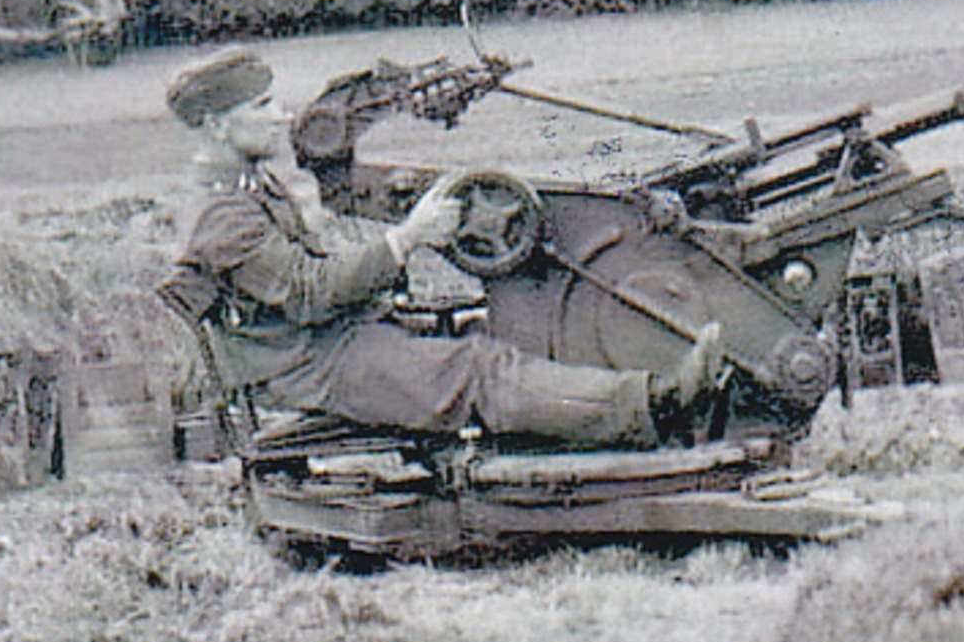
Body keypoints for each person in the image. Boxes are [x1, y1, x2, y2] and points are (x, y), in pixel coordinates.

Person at [157, 47, 723, 448]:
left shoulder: (245, 187)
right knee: (476, 370)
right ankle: (658, 402)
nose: (280, 117)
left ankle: (624, 399)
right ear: (215, 126)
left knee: (498, 331)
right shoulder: (221, 216)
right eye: (261, 108)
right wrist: (408, 238)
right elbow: (312, 293)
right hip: (311, 365)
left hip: (327, 344)